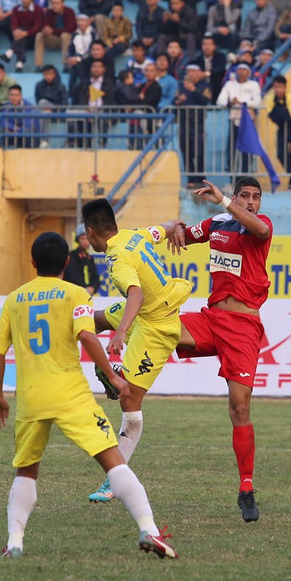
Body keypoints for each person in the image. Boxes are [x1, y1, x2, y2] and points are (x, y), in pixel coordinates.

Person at [0, 232, 176, 559]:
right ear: (66, 262)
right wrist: (116, 378)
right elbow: (87, 336)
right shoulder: (76, 294)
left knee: (27, 471)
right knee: (113, 463)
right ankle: (149, 529)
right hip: (71, 396)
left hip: (31, 399)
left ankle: (15, 541)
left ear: (32, 263)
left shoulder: (14, 299)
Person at [141, 177, 275, 522]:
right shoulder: (217, 224)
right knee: (161, 324)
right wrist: (171, 229)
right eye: (244, 195)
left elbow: (258, 230)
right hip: (211, 319)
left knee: (238, 407)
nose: (250, 201)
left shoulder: (262, 226)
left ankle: (246, 488)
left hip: (244, 328)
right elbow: (183, 236)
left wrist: (224, 200)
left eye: (255, 197)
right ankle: (120, 372)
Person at [81, 200, 192, 506]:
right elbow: (168, 227)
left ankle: (115, 479)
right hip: (147, 312)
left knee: (130, 398)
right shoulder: (134, 235)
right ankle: (104, 369)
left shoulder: (116, 257)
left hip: (157, 323)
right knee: (96, 319)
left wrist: (120, 333)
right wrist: (176, 228)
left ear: (90, 232)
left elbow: (136, 294)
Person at [63, 231, 100, 296]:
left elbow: (95, 277)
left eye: (87, 239)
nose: (85, 242)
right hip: (73, 294)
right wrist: (83, 289)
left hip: (87, 295)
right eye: (83, 239)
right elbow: (71, 276)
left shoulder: (89, 258)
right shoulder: (71, 256)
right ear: (78, 240)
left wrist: (93, 288)